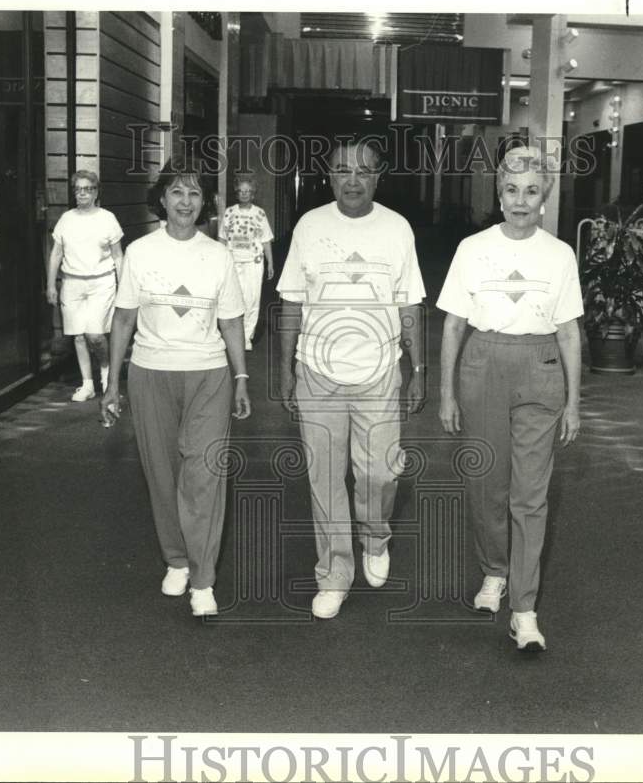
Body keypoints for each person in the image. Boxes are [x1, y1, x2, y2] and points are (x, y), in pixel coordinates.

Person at [437, 145, 583, 652]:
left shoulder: (560, 254)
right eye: (512, 190)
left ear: (545, 198)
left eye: (532, 192)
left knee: (530, 495)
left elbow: (568, 332)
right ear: (499, 195)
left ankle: (525, 607)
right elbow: (453, 324)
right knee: (487, 485)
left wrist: (575, 401)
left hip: (541, 370)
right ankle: (494, 572)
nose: (521, 201)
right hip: (482, 365)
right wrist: (447, 392)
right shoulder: (472, 249)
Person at [277, 139, 426, 620]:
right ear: (330, 176)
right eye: (343, 170)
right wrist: (283, 367)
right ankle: (334, 573)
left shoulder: (397, 228)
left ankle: (375, 536)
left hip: (379, 370)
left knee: (380, 471)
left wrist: (418, 369)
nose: (353, 180)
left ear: (378, 176)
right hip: (317, 371)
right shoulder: (310, 225)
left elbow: (409, 304)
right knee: (324, 477)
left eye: (363, 171)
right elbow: (293, 302)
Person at [100, 167, 250, 617]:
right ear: (161, 200)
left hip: (209, 374)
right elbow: (124, 318)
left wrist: (242, 378)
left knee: (204, 474)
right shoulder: (140, 252)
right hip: (150, 373)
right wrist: (112, 383)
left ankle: (203, 579)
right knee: (162, 473)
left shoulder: (219, 255)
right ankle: (177, 560)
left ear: (205, 203)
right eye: (177, 192)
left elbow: (231, 321)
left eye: (195, 193)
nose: (186, 201)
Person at [46, 170, 124, 401]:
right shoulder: (66, 219)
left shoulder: (107, 218)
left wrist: (124, 286)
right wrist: (51, 284)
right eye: (78, 189)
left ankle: (106, 371)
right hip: (72, 283)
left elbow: (118, 255)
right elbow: (56, 254)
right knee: (78, 336)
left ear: (96, 192)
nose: (82, 194)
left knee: (95, 335)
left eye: (87, 189)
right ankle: (87, 384)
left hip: (101, 282)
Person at [218, 174, 274, 351]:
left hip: (254, 262)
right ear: (237, 193)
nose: (244, 194)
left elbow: (265, 240)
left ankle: (246, 337)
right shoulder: (229, 212)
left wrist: (270, 262)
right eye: (241, 191)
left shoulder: (259, 214)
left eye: (248, 191)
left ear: (253, 194)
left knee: (252, 300)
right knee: (233, 299)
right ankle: (232, 335)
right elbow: (222, 240)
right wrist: (220, 261)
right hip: (233, 261)